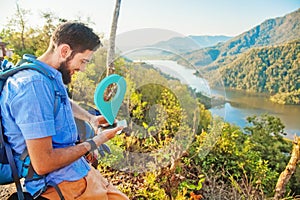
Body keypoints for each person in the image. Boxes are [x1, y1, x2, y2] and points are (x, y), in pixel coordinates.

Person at [0, 22, 129, 200]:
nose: (83, 68)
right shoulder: (33, 86)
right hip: (60, 185)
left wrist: (90, 118)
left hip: (78, 171)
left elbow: (61, 99)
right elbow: (43, 163)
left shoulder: (48, 75)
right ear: (65, 51)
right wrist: (95, 142)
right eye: (83, 61)